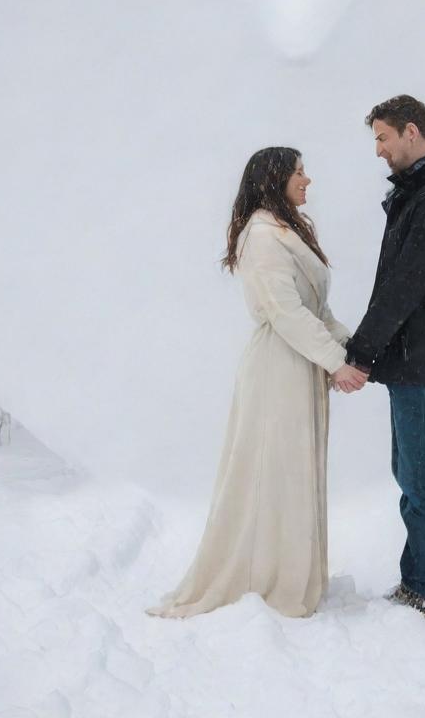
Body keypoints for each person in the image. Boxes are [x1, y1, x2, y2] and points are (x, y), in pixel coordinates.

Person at [148, 147, 349, 619]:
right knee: (272, 469)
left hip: (301, 360)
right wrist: (337, 362)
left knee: (293, 468)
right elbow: (284, 311)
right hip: (279, 365)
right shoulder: (262, 235)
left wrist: (353, 348)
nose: (308, 180)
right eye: (299, 172)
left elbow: (316, 311)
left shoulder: (293, 229)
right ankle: (264, 576)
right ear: (275, 178)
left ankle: (290, 570)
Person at [331, 95, 425, 627]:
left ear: (412, 131)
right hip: (416, 356)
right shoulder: (424, 194)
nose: (378, 150)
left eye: (382, 137)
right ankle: (419, 580)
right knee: (412, 471)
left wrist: (361, 353)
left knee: (423, 475)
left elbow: (405, 285)